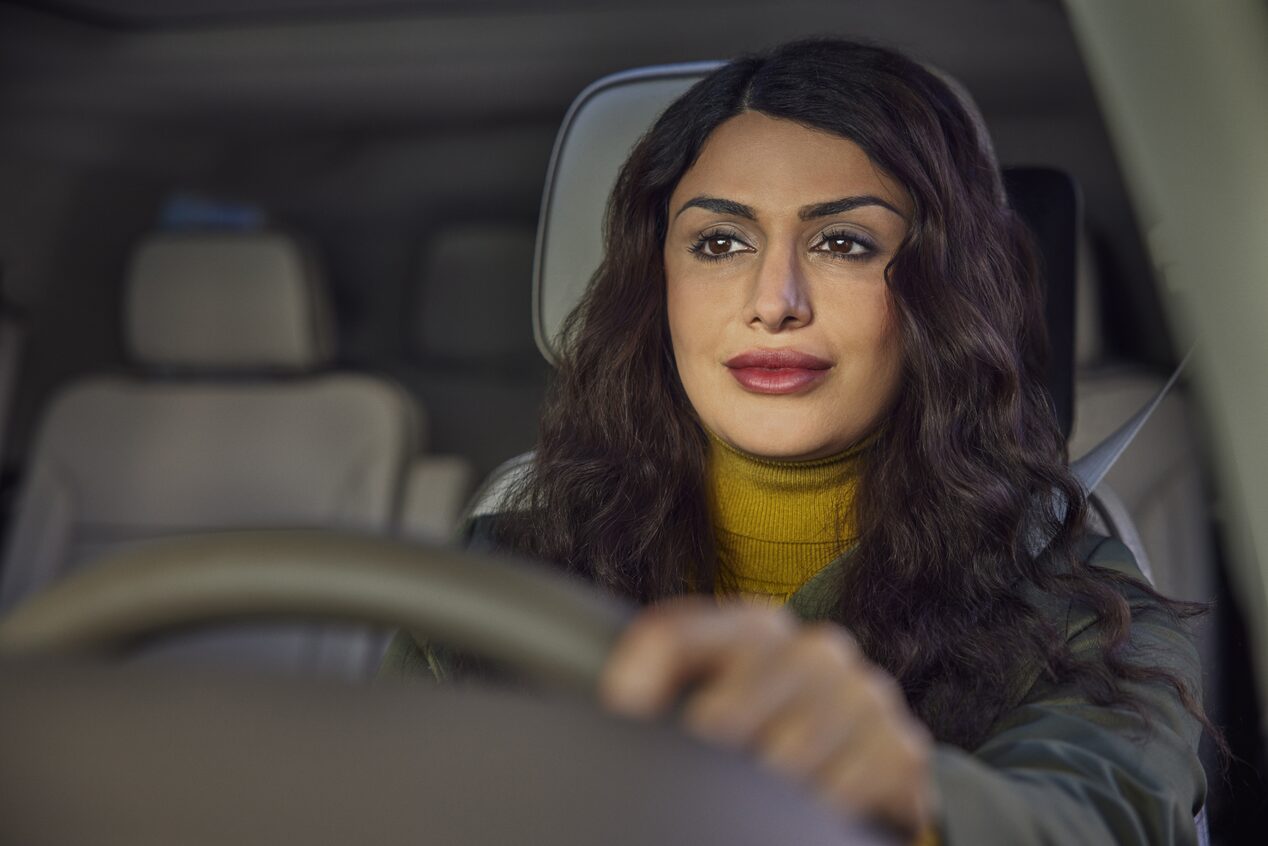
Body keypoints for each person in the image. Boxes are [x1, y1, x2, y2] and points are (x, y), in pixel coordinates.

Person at [381, 37, 1215, 845]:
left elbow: (1097, 812)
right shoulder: (495, 586)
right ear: (658, 287)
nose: (774, 300)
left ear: (944, 295)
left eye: (844, 243)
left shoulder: (1092, 616)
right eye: (720, 243)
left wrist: (912, 799)